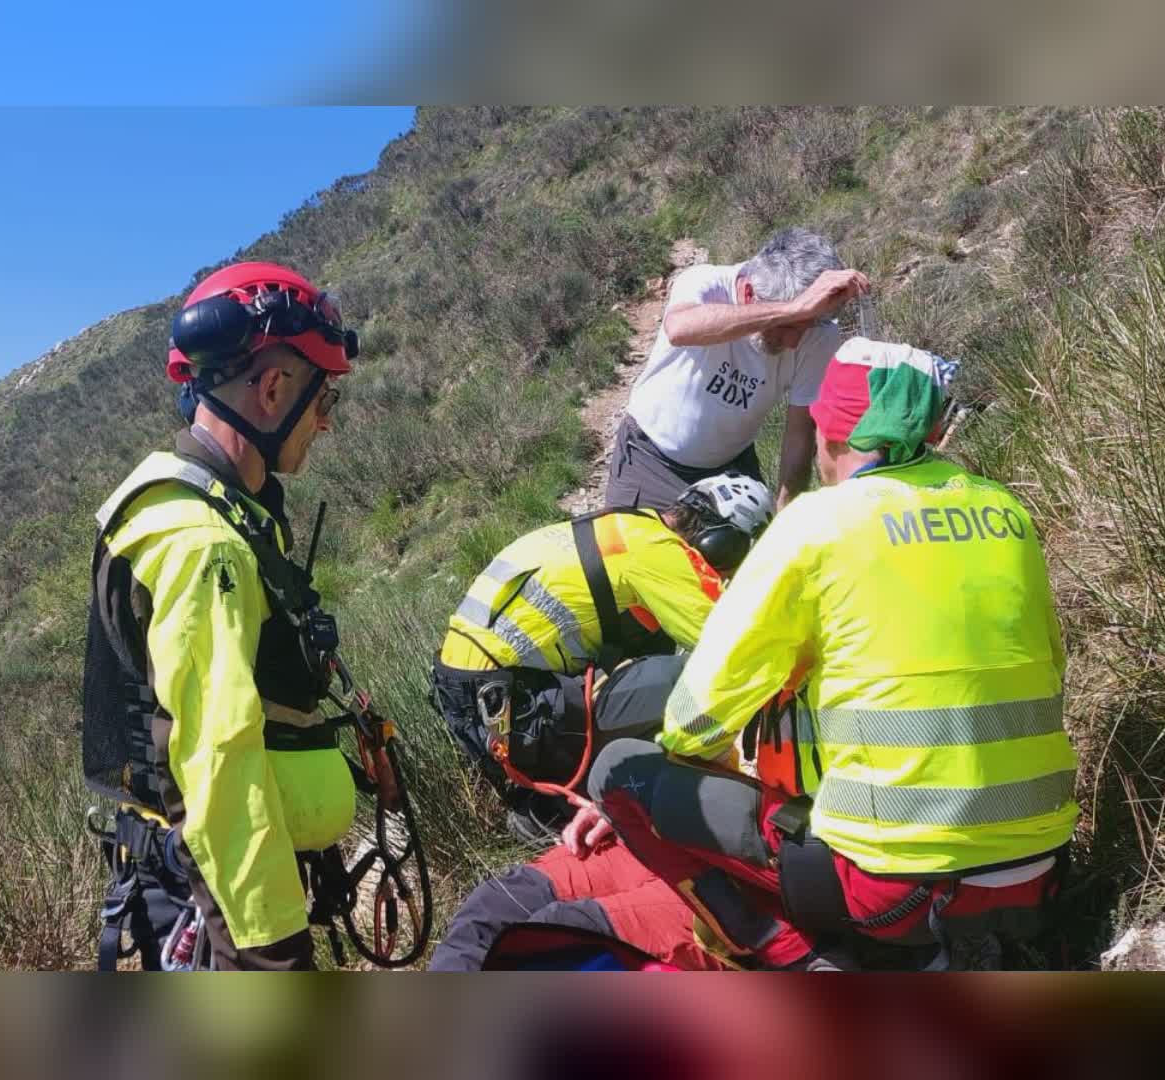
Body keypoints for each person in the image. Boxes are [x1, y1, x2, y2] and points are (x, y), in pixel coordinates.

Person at [588, 336, 1078, 970]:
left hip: (894, 895)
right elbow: (1050, 667)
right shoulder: (1006, 511)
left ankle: (813, 961)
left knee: (621, 772)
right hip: (1037, 876)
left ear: (833, 434)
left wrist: (718, 772)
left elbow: (695, 719)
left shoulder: (817, 525)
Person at [82, 261, 358, 970]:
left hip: (199, 891)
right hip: (214, 911)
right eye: (324, 401)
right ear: (273, 388)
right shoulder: (204, 543)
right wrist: (270, 955)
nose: (325, 424)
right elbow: (216, 767)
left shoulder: (222, 508)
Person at [431, 473, 774, 844]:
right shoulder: (656, 551)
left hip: (477, 702)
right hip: (517, 715)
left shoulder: (626, 527)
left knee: (647, 647)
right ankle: (566, 806)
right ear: (723, 543)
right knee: (687, 678)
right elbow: (732, 646)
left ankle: (546, 798)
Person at [606, 227, 869, 514]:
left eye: (804, 329)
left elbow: (799, 434)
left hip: (732, 471)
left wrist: (785, 517)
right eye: (787, 328)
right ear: (747, 293)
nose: (794, 342)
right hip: (650, 461)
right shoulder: (706, 282)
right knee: (636, 556)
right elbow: (679, 328)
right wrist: (793, 309)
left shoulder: (819, 333)